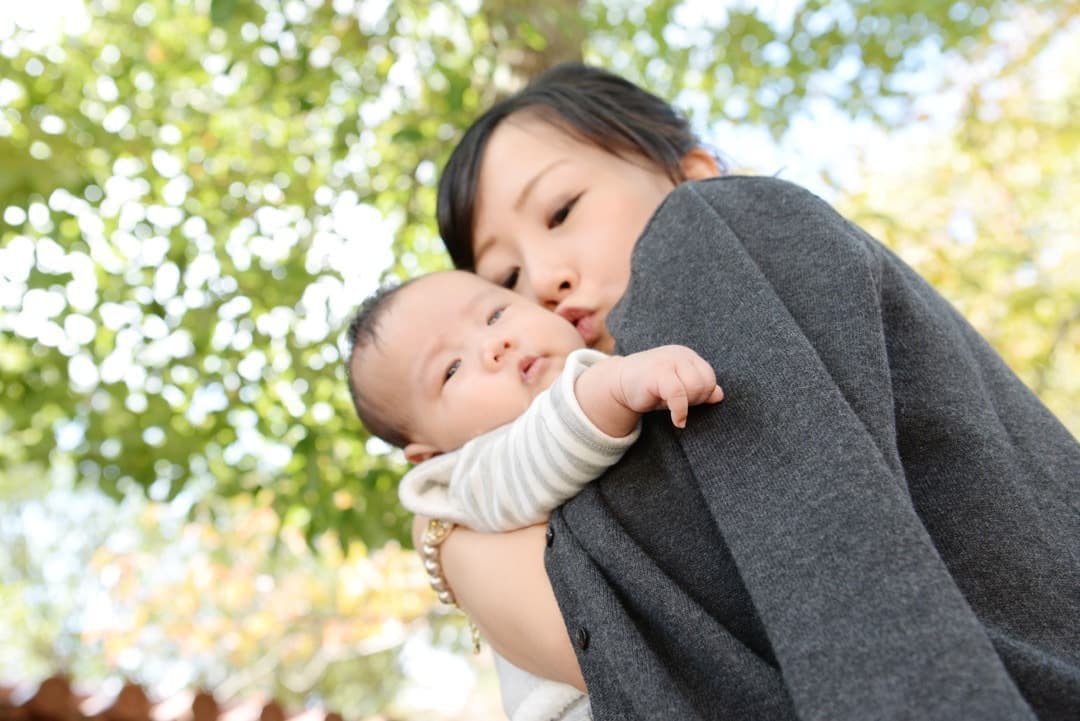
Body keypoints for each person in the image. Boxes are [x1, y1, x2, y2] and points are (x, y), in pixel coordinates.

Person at [421, 63, 1080, 721]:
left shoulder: (701, 225)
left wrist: (447, 538)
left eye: (562, 210)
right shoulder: (614, 443)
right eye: (504, 279)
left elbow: (855, 602)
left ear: (692, 171)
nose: (542, 280)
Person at [345, 269, 723, 720]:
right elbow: (537, 453)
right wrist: (611, 389)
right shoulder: (469, 477)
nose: (495, 345)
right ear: (431, 454)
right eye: (451, 369)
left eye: (494, 315)